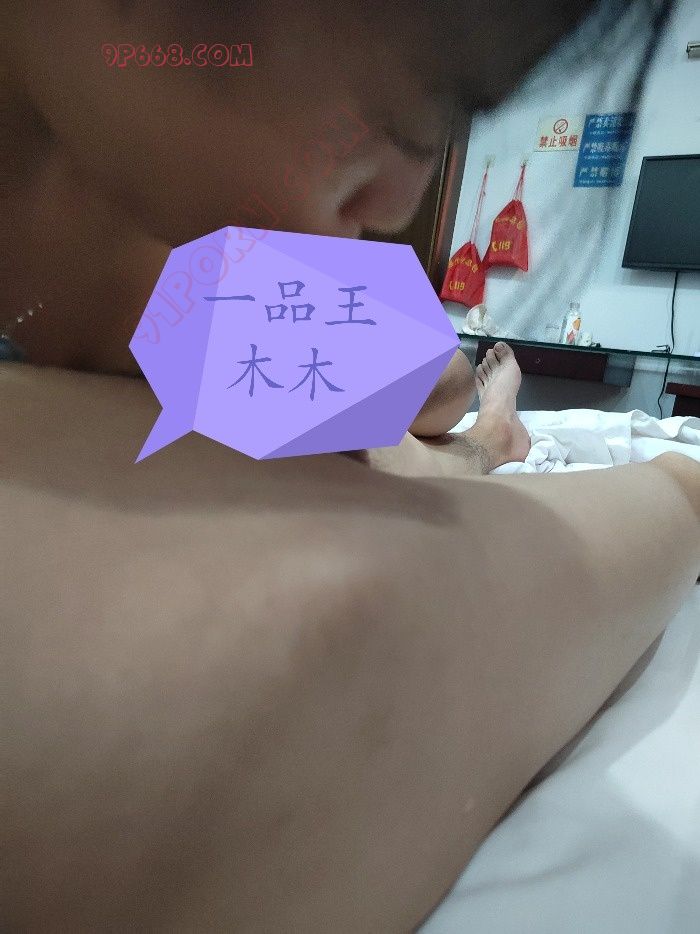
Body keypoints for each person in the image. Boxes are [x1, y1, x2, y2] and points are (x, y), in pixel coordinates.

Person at [2, 0, 698, 930]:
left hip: (191, 308)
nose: (397, 204)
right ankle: (492, 436)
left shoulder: (156, 240)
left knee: (431, 382)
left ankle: (490, 431)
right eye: (416, 107)